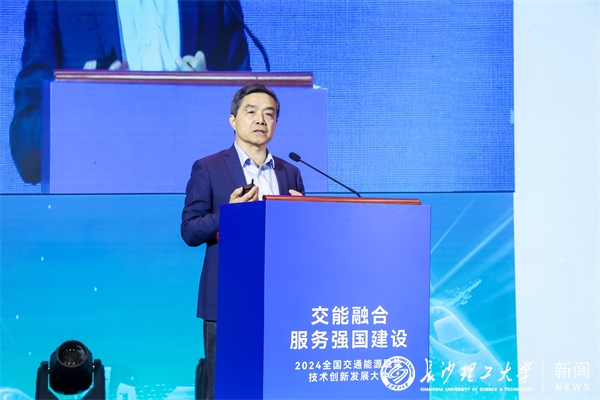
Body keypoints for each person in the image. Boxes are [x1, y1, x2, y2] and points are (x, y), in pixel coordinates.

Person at [10, 0, 250, 184]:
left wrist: (209, 100)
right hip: (96, 219)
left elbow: (251, 134)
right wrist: (78, 107)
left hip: (198, 218)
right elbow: (26, 153)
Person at [181, 83, 304, 399]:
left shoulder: (290, 172)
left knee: (275, 386)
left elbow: (298, 241)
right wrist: (229, 214)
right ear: (233, 120)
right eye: (251, 112)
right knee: (225, 388)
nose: (261, 119)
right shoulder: (208, 168)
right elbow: (190, 231)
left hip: (279, 300)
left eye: (269, 114)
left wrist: (302, 216)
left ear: (276, 123)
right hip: (227, 302)